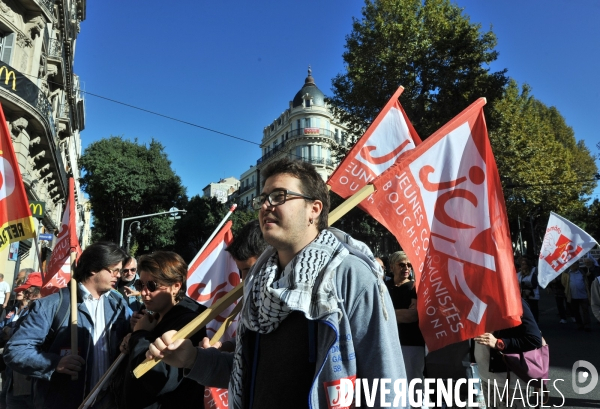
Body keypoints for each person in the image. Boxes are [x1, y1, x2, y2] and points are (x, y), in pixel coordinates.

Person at [146, 158, 406, 408]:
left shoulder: (349, 275)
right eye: (263, 198)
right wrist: (191, 358)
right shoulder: (258, 283)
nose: (265, 206)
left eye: (279, 196)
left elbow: (386, 380)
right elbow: (245, 374)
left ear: (314, 210)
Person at [4, 242, 132, 409]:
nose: (118, 275)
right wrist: (54, 363)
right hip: (64, 401)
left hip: (107, 400)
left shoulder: (118, 303)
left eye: (120, 271)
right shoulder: (51, 306)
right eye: (114, 270)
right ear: (94, 268)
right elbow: (15, 350)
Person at [119, 251, 207, 409]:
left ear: (176, 286)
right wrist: (132, 340)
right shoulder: (153, 312)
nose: (144, 293)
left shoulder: (189, 323)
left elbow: (159, 378)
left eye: (152, 286)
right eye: (140, 285)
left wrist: (140, 335)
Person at [474, 299, 543, 409]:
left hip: (509, 380)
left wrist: (499, 343)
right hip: (486, 375)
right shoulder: (478, 300)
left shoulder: (514, 302)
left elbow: (534, 339)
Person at [385, 251, 425, 408]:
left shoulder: (414, 287)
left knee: (413, 383)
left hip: (411, 343)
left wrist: (385, 313)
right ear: (392, 266)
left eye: (409, 265)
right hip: (389, 343)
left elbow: (412, 316)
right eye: (401, 264)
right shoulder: (384, 287)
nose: (406, 268)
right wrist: (399, 313)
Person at [1, 273, 43, 409]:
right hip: (12, 372)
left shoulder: (40, 311)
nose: (23, 292)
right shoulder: (15, 308)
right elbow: (2, 328)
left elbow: (21, 334)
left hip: (28, 377)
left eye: (27, 290)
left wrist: (10, 331)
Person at [561, 262, 591, 331]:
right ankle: (579, 324)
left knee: (585, 310)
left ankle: (587, 325)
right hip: (573, 296)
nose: (574, 266)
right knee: (576, 311)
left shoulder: (582, 273)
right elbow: (564, 283)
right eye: (573, 264)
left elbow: (586, 281)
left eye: (576, 264)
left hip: (583, 295)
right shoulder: (566, 274)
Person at [517, 257, 539, 322]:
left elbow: (534, 284)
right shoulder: (519, 274)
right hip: (523, 296)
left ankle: (535, 324)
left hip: (533, 296)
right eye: (522, 264)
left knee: (533, 311)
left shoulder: (532, 273)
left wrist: (526, 286)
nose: (523, 266)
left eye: (524, 264)